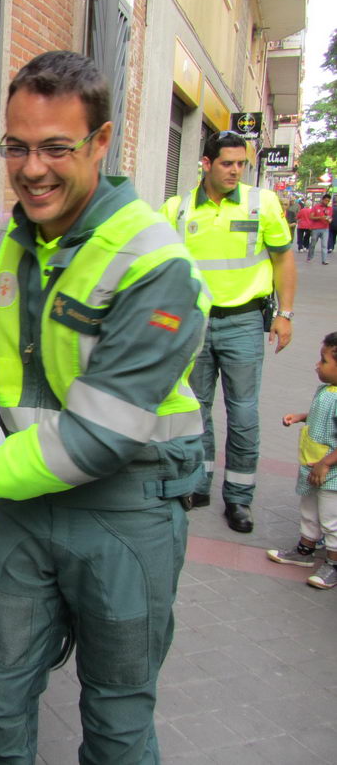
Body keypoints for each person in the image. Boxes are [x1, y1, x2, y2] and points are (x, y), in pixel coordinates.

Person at [0, 51, 209, 763]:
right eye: (16, 147)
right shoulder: (7, 245)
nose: (31, 168)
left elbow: (100, 437)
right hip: (28, 507)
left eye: (55, 148)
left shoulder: (152, 262)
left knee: (114, 715)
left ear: (100, 143)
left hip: (124, 508)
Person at [161, 131, 296, 533]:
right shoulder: (177, 209)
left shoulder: (262, 203)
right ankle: (197, 484)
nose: (236, 170)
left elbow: (284, 259)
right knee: (194, 408)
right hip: (194, 324)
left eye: (241, 164)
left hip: (245, 322)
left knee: (243, 414)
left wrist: (285, 313)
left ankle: (238, 499)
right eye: (227, 163)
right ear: (206, 164)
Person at [267, 331, 337, 589]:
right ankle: (305, 550)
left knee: (331, 519)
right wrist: (301, 416)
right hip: (312, 466)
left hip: (330, 473)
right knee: (309, 510)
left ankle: (333, 563)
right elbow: (323, 416)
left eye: (324, 360)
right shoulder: (327, 390)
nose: (317, 365)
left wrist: (327, 463)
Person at [307, 194, 332, 264]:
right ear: (322, 200)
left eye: (328, 201)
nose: (327, 202)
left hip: (325, 228)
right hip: (316, 228)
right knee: (313, 244)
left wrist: (329, 220)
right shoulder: (316, 207)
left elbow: (330, 218)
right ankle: (310, 257)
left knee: (324, 245)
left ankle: (324, 260)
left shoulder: (329, 208)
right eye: (326, 200)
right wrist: (320, 217)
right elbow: (311, 217)